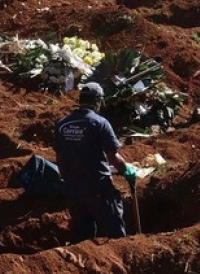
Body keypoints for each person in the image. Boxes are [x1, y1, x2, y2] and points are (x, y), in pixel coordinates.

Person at [53, 83, 137, 242]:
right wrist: (126, 170)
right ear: (98, 101)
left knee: (82, 237)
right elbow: (113, 157)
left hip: (74, 190)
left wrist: (68, 180)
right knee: (115, 234)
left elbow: (60, 157)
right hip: (98, 188)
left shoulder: (62, 124)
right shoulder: (100, 123)